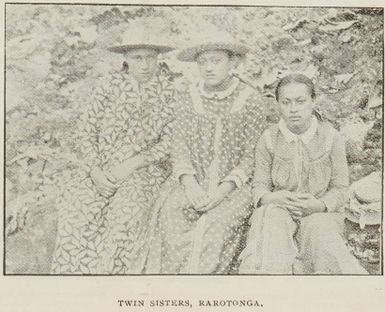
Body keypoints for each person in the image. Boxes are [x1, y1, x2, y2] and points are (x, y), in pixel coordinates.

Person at [51, 24, 176, 274]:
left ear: (158, 58)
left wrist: (136, 162)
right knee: (78, 214)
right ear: (125, 58)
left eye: (150, 57)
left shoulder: (170, 92)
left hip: (144, 172)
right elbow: (86, 130)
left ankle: (114, 288)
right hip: (101, 171)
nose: (144, 65)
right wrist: (95, 170)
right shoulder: (108, 86)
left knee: (125, 219)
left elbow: (172, 140)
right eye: (137, 58)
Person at [144, 33, 266, 274]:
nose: (209, 68)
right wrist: (190, 185)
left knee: (216, 225)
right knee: (172, 214)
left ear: (233, 63)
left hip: (233, 187)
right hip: (192, 181)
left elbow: (252, 155)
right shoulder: (188, 97)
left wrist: (222, 190)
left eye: (216, 61)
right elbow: (178, 146)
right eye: (203, 62)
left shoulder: (250, 99)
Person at [239, 73, 367, 274]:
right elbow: (260, 185)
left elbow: (340, 188)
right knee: (270, 221)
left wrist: (319, 204)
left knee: (323, 239)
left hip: (318, 211)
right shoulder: (269, 139)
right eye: (286, 102)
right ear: (278, 104)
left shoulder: (331, 138)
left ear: (313, 101)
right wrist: (273, 198)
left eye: (300, 101)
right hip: (280, 208)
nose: (293, 109)